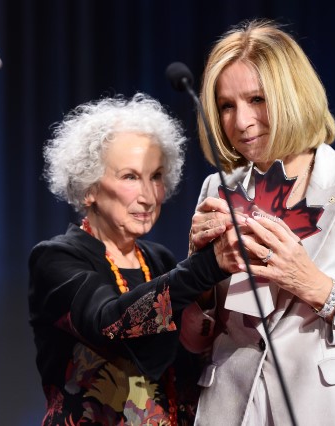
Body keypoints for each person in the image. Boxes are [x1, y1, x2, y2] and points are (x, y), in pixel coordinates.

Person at [180, 18, 335, 425]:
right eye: (226, 106)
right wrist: (198, 278)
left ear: (292, 96)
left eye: (257, 99)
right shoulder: (216, 189)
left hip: (329, 410)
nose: (241, 122)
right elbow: (196, 340)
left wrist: (314, 285)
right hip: (232, 409)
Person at [28, 92, 245, 426]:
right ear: (89, 187)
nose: (148, 196)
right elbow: (109, 325)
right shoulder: (56, 258)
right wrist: (207, 265)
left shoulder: (159, 261)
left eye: (156, 176)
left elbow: (187, 365)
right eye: (130, 176)